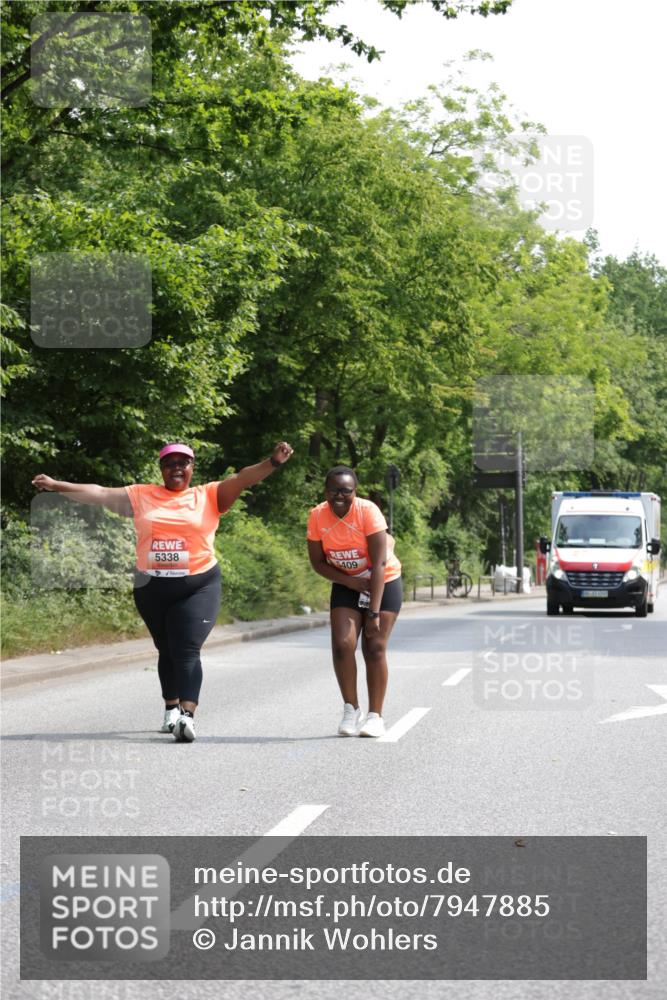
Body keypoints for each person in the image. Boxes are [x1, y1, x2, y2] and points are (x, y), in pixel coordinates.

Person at [32, 441, 294, 742]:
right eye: (170, 464)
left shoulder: (209, 495)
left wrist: (272, 462)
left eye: (184, 463)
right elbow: (100, 493)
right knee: (165, 648)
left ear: (192, 468)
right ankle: (171, 708)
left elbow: (243, 478)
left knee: (187, 648)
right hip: (151, 586)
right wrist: (55, 485)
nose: (177, 469)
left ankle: (187, 716)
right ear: (162, 469)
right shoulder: (142, 495)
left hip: (199, 583)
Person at [307, 466, 402, 738]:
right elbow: (317, 562)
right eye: (333, 490)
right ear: (325, 492)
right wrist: (349, 582)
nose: (339, 495)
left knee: (374, 647)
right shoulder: (317, 516)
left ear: (354, 492)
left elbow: (381, 563)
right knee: (342, 645)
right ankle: (351, 709)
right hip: (347, 582)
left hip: (383, 581)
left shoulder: (367, 511)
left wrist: (373, 614)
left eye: (346, 491)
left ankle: (375, 716)